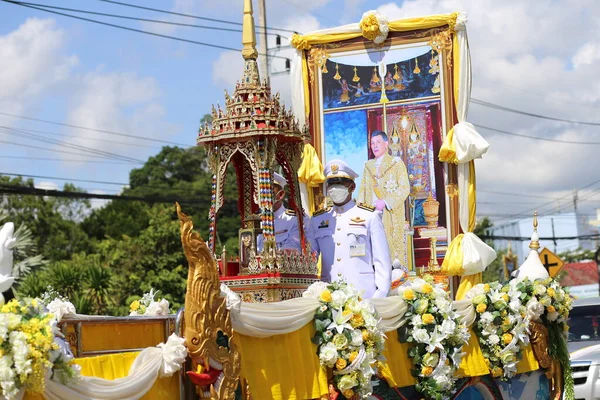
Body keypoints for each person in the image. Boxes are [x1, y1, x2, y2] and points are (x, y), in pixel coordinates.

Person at [307, 160, 392, 298]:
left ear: (352, 187)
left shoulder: (369, 216)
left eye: (340, 183)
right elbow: (309, 259)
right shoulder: (317, 220)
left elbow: (381, 260)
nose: (334, 188)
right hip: (329, 296)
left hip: (363, 296)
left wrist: (379, 296)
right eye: (331, 184)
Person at [357, 130, 410, 268]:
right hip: (371, 215)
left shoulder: (396, 163)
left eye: (378, 142)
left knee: (392, 253)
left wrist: (386, 202)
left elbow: (404, 188)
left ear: (386, 144)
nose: (374, 146)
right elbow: (362, 191)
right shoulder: (368, 166)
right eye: (372, 143)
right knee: (373, 250)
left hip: (390, 215)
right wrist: (359, 212)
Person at [257, 172, 301, 252]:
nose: (264, 197)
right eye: (262, 192)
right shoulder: (256, 222)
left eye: (269, 192)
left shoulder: (295, 220)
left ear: (280, 194)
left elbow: (293, 248)